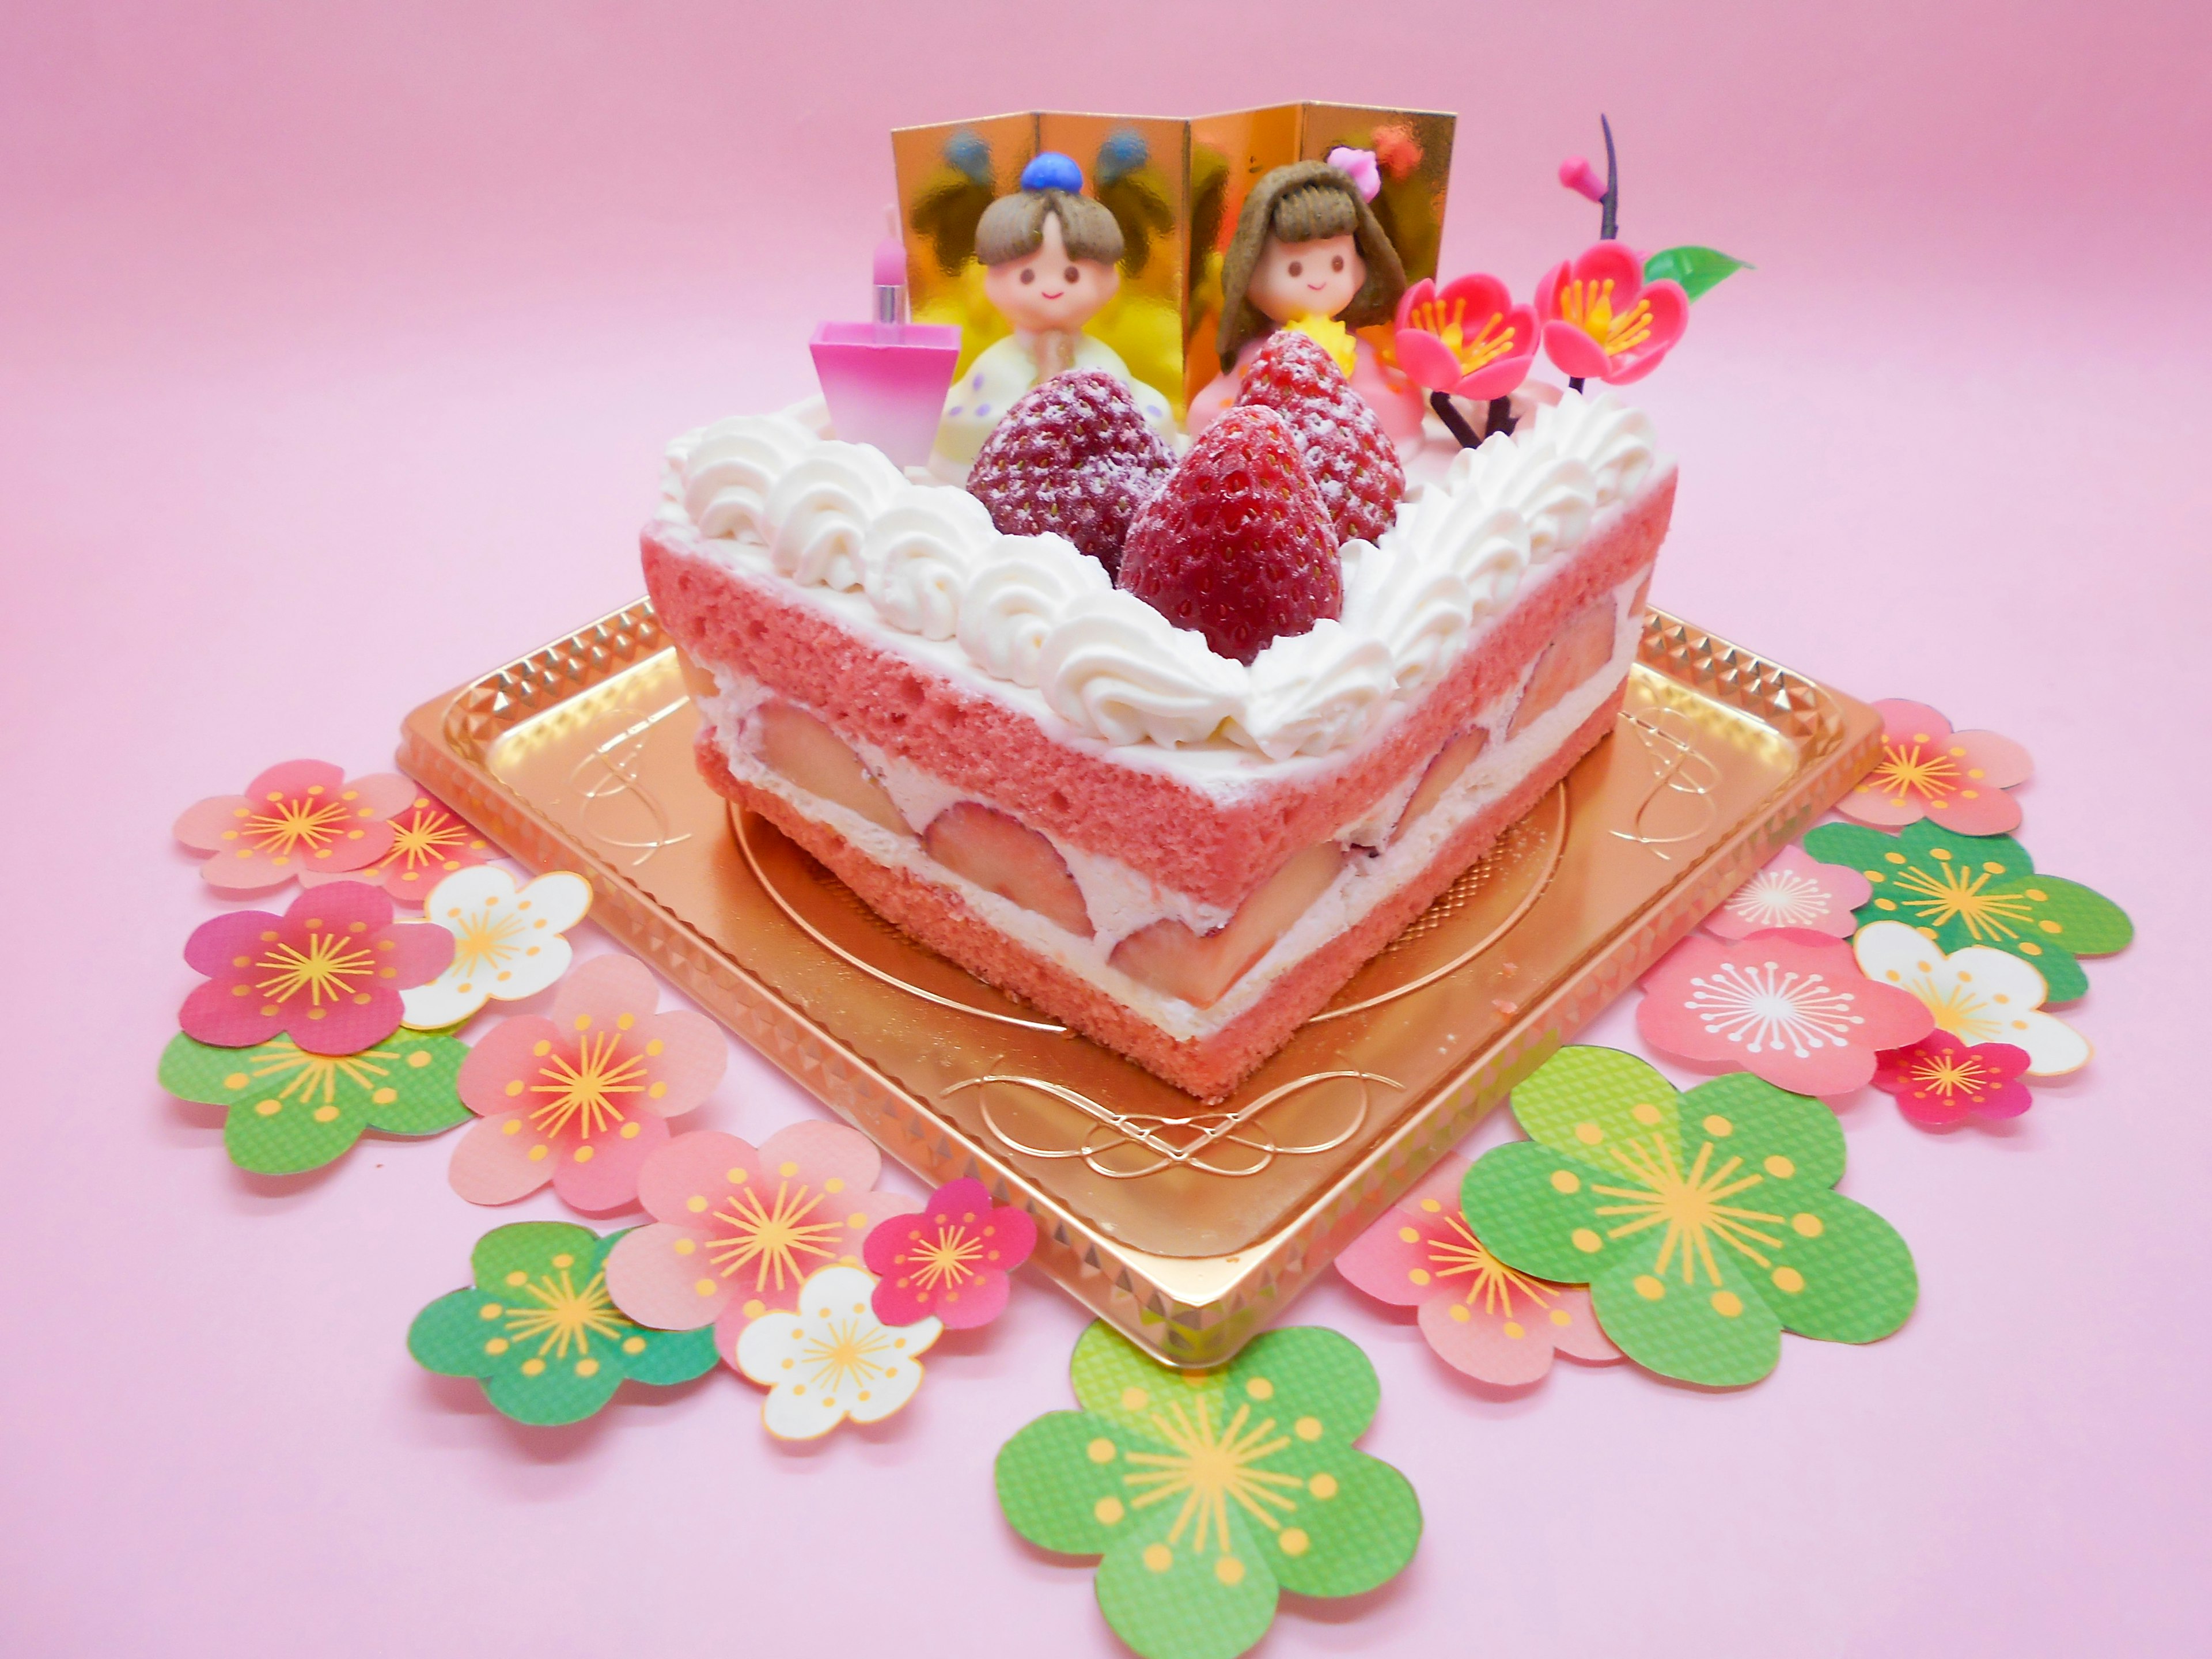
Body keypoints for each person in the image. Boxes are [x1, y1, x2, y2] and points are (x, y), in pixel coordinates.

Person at [934, 152, 1173, 465]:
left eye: (1072, 275)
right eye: (1027, 276)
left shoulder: (1106, 365)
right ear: (992, 281)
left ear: (1109, 280)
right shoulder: (993, 368)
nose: (1051, 289)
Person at [1188, 156, 1425, 441]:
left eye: (1338, 264)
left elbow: (1393, 396)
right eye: (1294, 269)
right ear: (1250, 272)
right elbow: (1216, 404)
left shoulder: (1364, 351)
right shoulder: (1259, 357)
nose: (1318, 281)